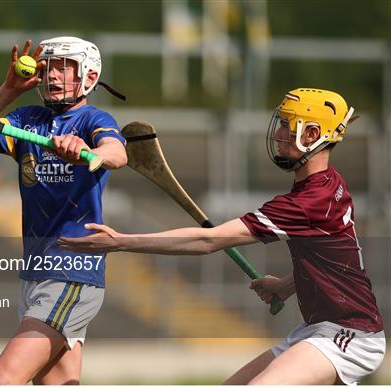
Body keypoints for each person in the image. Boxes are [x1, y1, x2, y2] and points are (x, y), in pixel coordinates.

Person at [59, 88, 386, 385]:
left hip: (348, 335)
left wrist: (120, 242)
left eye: (288, 125)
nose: (278, 133)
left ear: (312, 133)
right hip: (318, 329)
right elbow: (335, 259)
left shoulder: (306, 202)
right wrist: (285, 285)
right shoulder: (328, 184)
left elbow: (207, 241)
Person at [0, 36, 127, 385]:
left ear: (89, 76)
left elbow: (116, 153)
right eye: (48, 67)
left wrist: (88, 152)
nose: (53, 75)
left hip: (72, 271)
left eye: (65, 67)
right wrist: (7, 90)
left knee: (4, 378)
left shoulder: (92, 119)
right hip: (36, 271)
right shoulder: (26, 120)